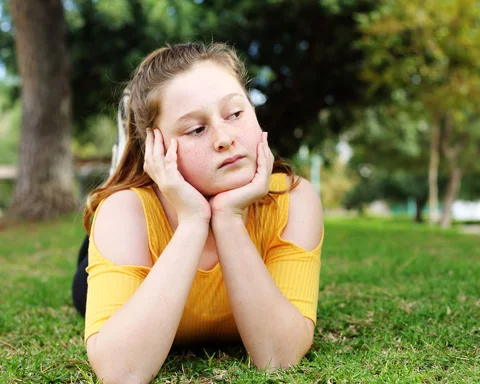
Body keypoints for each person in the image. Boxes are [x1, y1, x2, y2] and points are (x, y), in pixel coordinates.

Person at [79, 42, 323, 383]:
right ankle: (127, 156)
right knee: (85, 286)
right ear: (157, 146)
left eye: (235, 114)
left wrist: (228, 218)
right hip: (140, 237)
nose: (224, 138)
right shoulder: (125, 213)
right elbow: (121, 372)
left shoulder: (293, 197)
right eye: (196, 129)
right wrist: (193, 221)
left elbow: (279, 357)